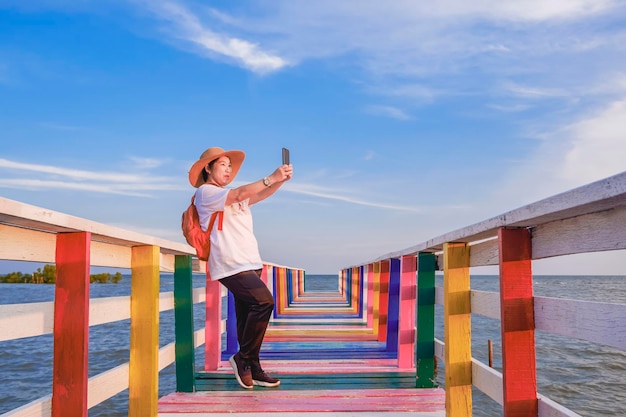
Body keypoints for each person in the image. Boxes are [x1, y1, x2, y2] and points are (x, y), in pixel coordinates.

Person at [187, 147, 293, 389]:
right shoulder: (207, 193)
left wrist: (280, 181)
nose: (228, 169)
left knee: (247, 319)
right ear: (208, 167)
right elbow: (240, 193)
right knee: (264, 302)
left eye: (230, 166)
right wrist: (271, 177)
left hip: (250, 261)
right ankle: (242, 358)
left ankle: (253, 367)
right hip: (229, 263)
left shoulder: (228, 195)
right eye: (223, 164)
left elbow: (258, 195)